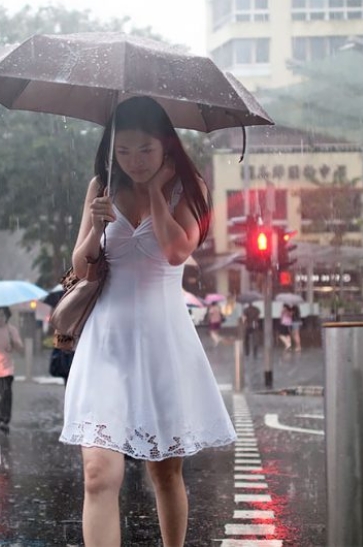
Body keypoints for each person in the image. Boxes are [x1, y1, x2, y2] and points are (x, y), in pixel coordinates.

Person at [59, 96, 236, 547]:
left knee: (164, 471)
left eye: (145, 151)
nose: (134, 162)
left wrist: (156, 192)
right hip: (107, 342)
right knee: (98, 472)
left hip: (163, 343)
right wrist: (97, 228)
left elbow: (177, 251)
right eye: (124, 152)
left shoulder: (190, 187)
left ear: (166, 147)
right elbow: (81, 268)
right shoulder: (101, 186)